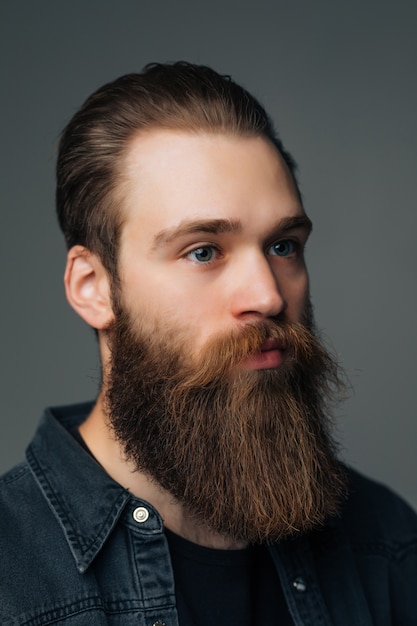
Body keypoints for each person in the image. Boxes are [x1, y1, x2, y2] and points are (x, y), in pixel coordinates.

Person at [0, 62, 416, 626]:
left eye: (284, 246)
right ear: (94, 288)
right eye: (203, 251)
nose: (268, 296)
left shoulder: (386, 543)